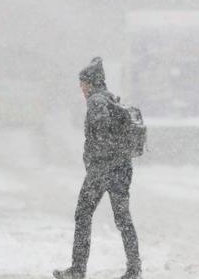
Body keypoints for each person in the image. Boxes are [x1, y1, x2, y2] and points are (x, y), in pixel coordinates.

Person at [54, 57, 142, 279]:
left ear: (91, 83)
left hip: (103, 169)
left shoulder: (96, 102)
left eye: (83, 83)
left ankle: (78, 269)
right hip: (122, 167)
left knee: (83, 214)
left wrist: (95, 162)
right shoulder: (112, 98)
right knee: (123, 218)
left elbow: (101, 135)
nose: (81, 88)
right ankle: (134, 269)